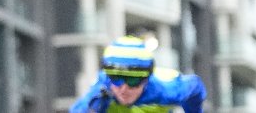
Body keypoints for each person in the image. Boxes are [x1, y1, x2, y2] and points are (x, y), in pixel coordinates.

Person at [69, 36, 206, 112]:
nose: (124, 89)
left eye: (133, 81)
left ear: (147, 79)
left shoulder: (166, 88)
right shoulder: (100, 92)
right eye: (116, 79)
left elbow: (196, 86)